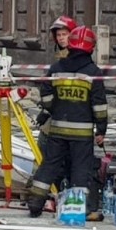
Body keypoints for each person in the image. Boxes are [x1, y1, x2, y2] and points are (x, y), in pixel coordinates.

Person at [27, 26, 108, 222]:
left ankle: (35, 204)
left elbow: (45, 95)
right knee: (81, 169)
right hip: (82, 133)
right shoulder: (93, 72)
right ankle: (78, 209)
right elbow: (99, 106)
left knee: (49, 165)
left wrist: (53, 109)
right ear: (91, 48)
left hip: (58, 129)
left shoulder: (56, 69)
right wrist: (101, 129)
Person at [35, 15, 79, 160]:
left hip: (70, 117)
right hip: (56, 114)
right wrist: (47, 111)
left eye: (64, 34)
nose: (61, 38)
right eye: (58, 35)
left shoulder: (75, 59)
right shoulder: (60, 57)